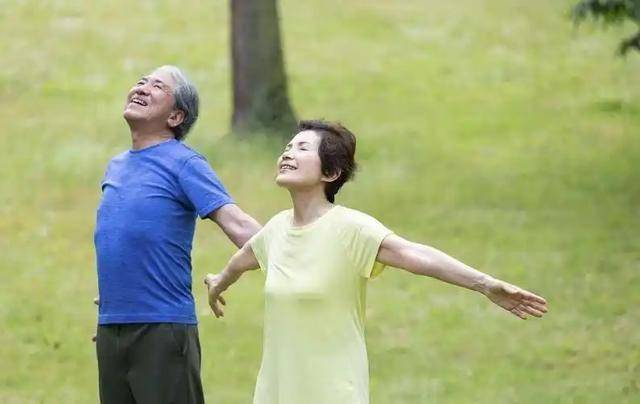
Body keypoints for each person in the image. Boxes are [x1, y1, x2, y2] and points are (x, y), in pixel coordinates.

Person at [203, 120, 548, 404]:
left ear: (330, 172)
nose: (287, 154)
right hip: (276, 393)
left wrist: (484, 284)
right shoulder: (275, 231)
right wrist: (218, 282)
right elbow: (241, 261)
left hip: (333, 393)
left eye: (302, 148)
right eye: (288, 147)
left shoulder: (351, 229)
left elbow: (416, 254)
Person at [94, 65, 261, 404]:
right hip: (112, 327)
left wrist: (298, 249)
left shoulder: (184, 163)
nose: (142, 88)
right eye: (141, 81)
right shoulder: (117, 166)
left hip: (162, 329)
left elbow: (239, 225)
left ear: (175, 117)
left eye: (157, 86)